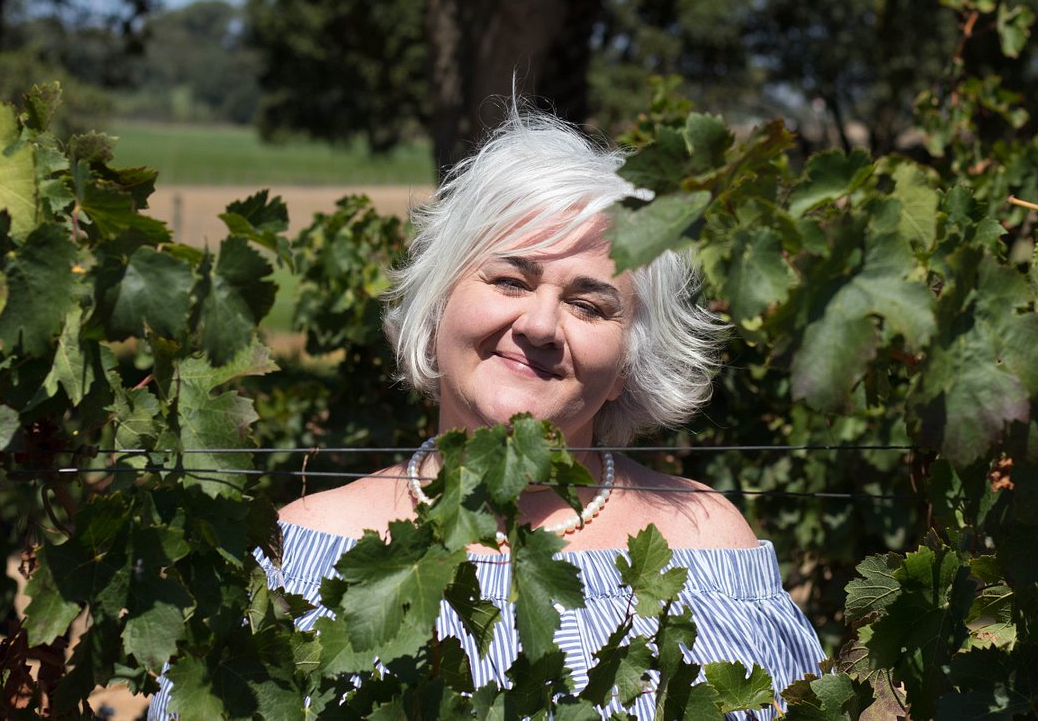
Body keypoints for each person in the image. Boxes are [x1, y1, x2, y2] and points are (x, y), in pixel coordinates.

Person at [151, 108, 823, 719]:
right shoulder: (299, 554)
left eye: (589, 306)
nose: (539, 324)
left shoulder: (709, 550)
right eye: (510, 280)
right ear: (440, 303)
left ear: (627, 366)